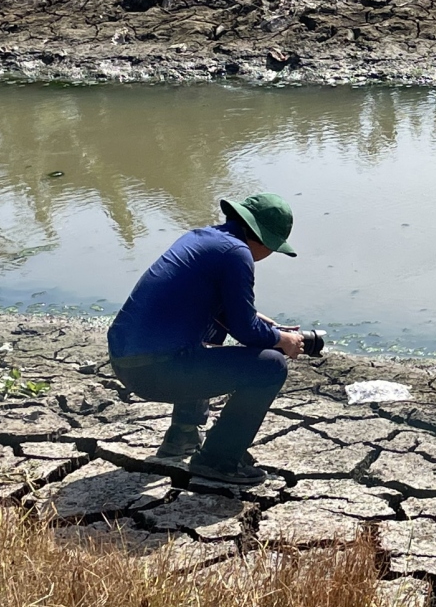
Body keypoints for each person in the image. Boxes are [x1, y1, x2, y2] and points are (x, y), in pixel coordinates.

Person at [107, 192, 304, 485]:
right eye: (274, 247)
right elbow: (247, 331)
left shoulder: (205, 239)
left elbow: (210, 306)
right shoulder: (237, 254)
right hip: (156, 371)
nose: (270, 254)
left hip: (127, 361)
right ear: (263, 239)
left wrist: (257, 320)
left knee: (214, 329)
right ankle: (218, 460)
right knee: (271, 366)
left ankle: (183, 435)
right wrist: (282, 340)